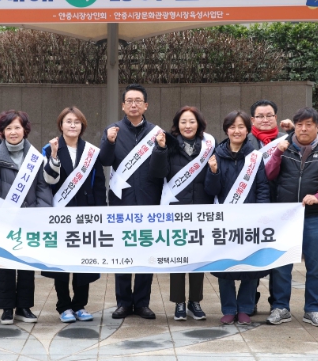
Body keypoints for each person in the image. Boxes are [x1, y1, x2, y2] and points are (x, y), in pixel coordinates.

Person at [264, 107, 318, 327]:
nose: (304, 129)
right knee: (282, 265)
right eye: (299, 125)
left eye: (309, 124)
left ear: (317, 127)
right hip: (285, 218)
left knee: (315, 266)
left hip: (314, 217)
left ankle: (313, 309)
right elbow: (269, 174)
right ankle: (280, 307)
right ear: (294, 127)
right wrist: (277, 153)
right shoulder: (283, 146)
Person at [0, 110, 52, 325]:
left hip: (28, 217)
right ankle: (7, 308)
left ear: (25, 130)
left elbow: (42, 187)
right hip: (4, 217)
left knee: (27, 264)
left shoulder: (35, 157)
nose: (13, 132)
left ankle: (24, 307)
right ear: (1, 132)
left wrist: (40, 213)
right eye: (8, 128)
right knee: (6, 263)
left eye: (17, 127)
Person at [100, 83, 163, 320]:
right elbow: (105, 161)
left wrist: (161, 148)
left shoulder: (156, 133)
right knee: (123, 251)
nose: (134, 105)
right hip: (122, 200)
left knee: (146, 250)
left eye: (138, 101)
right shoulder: (112, 130)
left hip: (149, 200)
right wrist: (109, 142)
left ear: (146, 105)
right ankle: (124, 302)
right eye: (129, 101)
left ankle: (142, 302)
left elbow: (161, 169)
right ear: (123, 105)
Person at [204, 110, 270, 325]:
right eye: (232, 127)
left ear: (248, 130)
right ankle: (229, 308)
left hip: (250, 220)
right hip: (225, 220)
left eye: (241, 127)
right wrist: (213, 171)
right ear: (226, 130)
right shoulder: (216, 154)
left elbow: (262, 187)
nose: (237, 131)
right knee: (225, 265)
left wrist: (260, 214)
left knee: (250, 265)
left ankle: (245, 308)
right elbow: (211, 190)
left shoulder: (255, 157)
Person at [41, 107, 105, 323]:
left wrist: (100, 212)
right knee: (61, 261)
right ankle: (64, 306)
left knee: (83, 260)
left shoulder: (91, 152)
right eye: (68, 121)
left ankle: (80, 305)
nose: (72, 125)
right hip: (60, 213)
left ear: (82, 126)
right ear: (61, 125)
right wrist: (54, 156)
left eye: (77, 122)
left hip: (86, 213)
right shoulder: (49, 148)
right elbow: (46, 182)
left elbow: (99, 184)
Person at [149, 106, 213, 321]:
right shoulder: (169, 145)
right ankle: (179, 302)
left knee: (198, 257)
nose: (188, 126)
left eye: (192, 121)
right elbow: (157, 172)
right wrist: (160, 149)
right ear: (177, 125)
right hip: (175, 210)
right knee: (178, 257)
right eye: (183, 122)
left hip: (201, 209)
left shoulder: (208, 146)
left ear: (199, 124)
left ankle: (195, 301)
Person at [246, 99, 293, 312]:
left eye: (269, 116)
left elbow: (308, 142)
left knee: (280, 259)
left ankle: (279, 304)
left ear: (276, 117)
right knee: (252, 257)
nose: (265, 120)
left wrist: (293, 130)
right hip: (254, 208)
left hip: (282, 208)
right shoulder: (244, 141)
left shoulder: (288, 139)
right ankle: (249, 301)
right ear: (252, 120)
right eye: (260, 116)